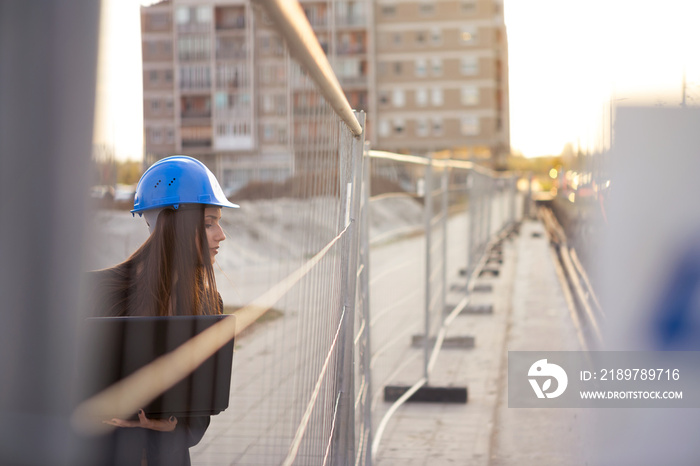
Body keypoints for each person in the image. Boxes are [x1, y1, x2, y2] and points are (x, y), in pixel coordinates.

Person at [88, 155, 238, 465]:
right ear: (174, 224)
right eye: (209, 223)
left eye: (219, 223)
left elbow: (199, 421)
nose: (221, 235)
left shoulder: (211, 304)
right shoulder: (97, 292)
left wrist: (164, 424)